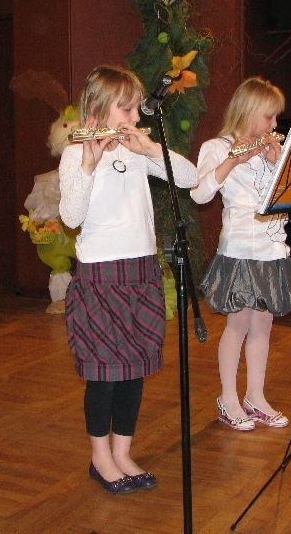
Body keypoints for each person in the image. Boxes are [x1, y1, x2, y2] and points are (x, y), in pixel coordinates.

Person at [59, 65, 198, 493]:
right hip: (101, 278)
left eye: (137, 107)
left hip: (140, 274)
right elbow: (71, 217)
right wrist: (89, 160)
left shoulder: (138, 151)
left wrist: (151, 149)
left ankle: (122, 451)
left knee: (133, 371)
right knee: (105, 374)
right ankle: (100, 458)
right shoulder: (74, 153)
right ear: (98, 107)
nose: (136, 116)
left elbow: (190, 179)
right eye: (128, 108)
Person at [190, 76, 291, 431]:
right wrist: (235, 159)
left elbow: (285, 196)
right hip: (239, 248)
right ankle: (229, 398)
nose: (273, 126)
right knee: (237, 325)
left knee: (263, 326)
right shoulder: (216, 146)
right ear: (249, 112)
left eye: (275, 119)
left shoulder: (271, 150)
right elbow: (199, 194)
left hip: (272, 248)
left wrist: (275, 163)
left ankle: (256, 396)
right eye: (269, 117)